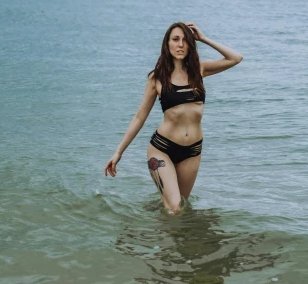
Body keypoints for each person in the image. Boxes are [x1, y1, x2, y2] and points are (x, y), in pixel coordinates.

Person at [104, 22, 243, 213]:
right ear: (167, 44)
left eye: (185, 40)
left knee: (180, 207)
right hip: (162, 149)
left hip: (193, 151)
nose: (180, 45)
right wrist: (118, 152)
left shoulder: (199, 71)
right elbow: (139, 117)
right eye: (175, 39)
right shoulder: (157, 78)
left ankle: (161, 232)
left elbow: (236, 58)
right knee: (175, 208)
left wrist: (203, 38)